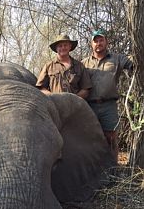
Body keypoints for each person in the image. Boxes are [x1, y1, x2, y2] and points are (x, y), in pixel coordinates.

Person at [82, 29, 133, 163]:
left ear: (106, 42)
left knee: (111, 138)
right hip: (89, 106)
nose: (98, 43)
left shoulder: (117, 59)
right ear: (91, 44)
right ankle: (93, 170)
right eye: (95, 41)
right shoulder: (84, 63)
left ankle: (112, 170)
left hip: (108, 105)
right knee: (89, 138)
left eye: (101, 40)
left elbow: (133, 63)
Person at [36, 34, 92, 99]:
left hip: (74, 106)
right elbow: (41, 88)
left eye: (65, 45)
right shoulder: (48, 66)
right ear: (56, 48)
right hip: (54, 106)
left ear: (70, 46)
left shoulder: (79, 66)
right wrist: (53, 97)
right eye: (60, 46)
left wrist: (74, 99)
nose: (63, 48)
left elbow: (86, 89)